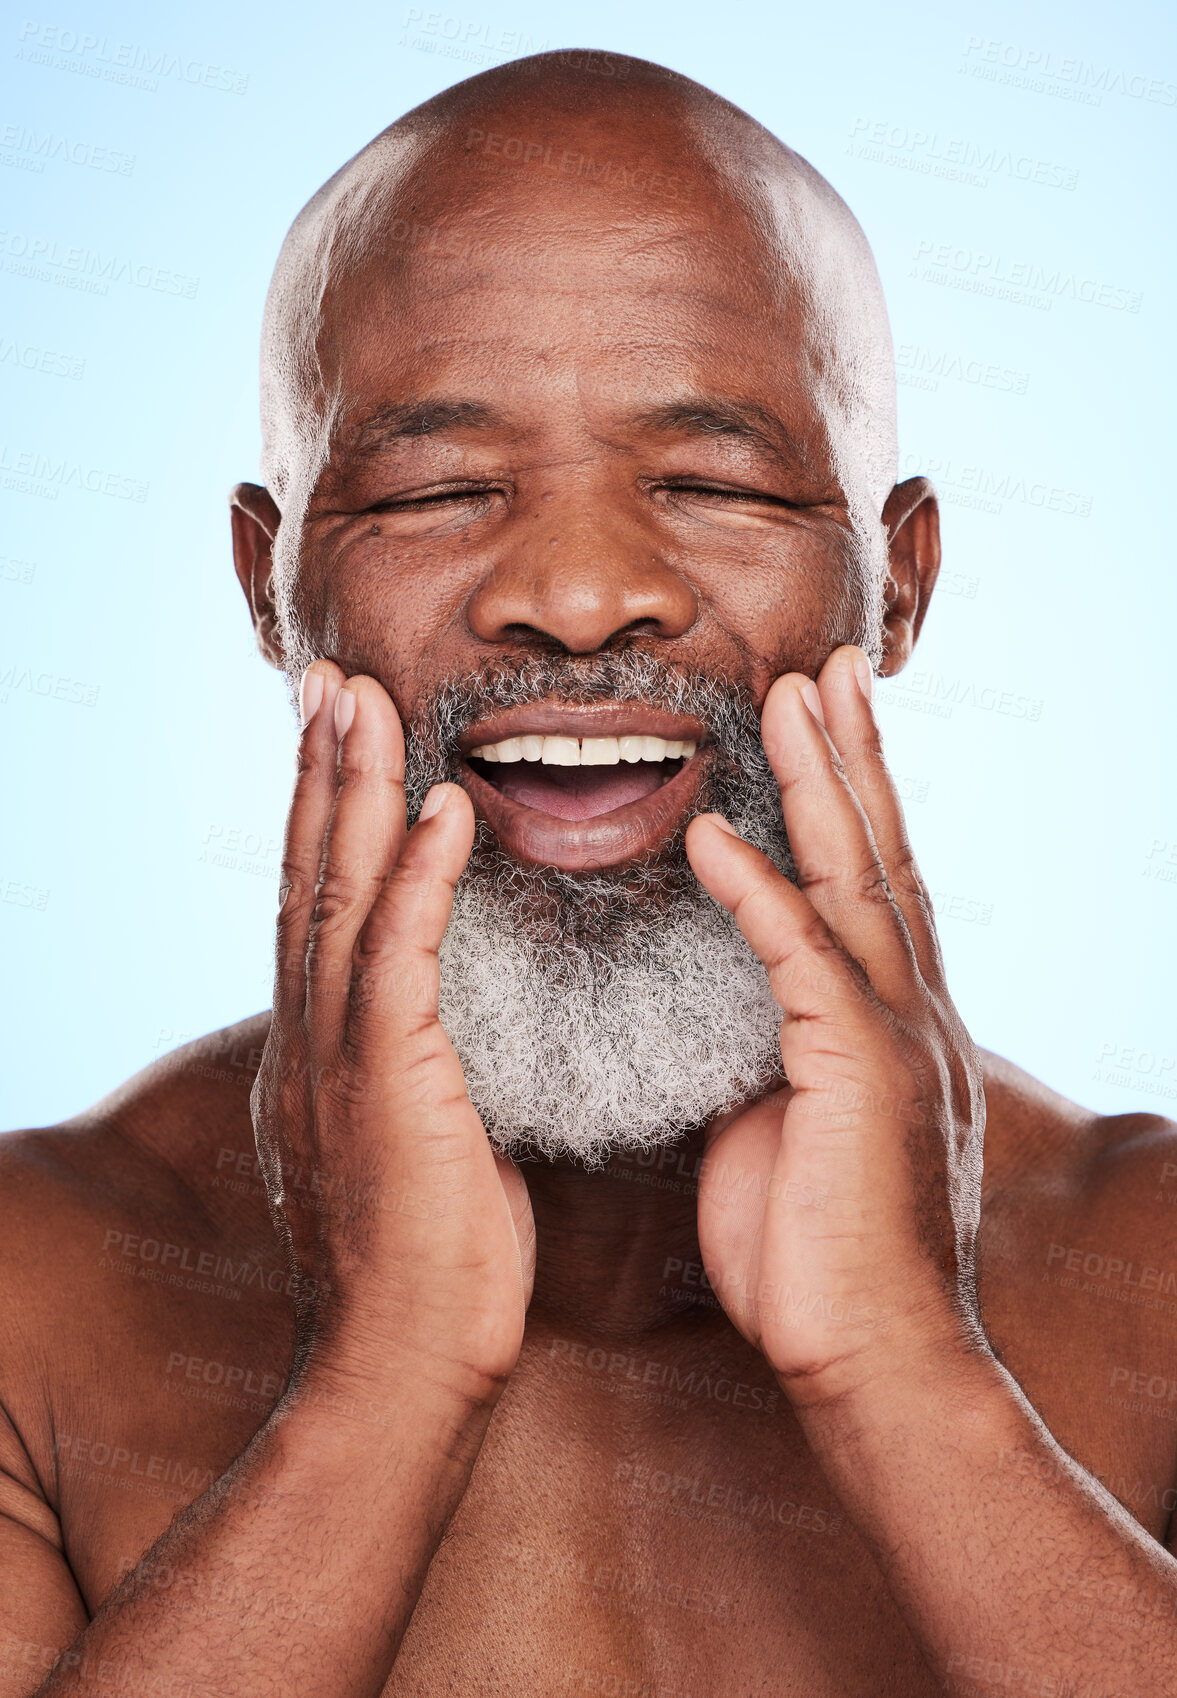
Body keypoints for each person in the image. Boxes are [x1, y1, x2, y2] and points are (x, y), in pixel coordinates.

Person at [2, 49, 1174, 1698]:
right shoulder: (30, 1290)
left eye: (707, 483)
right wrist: (384, 1378)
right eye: (435, 488)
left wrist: (910, 1375)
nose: (571, 592)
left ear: (895, 586)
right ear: (269, 589)